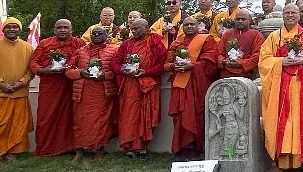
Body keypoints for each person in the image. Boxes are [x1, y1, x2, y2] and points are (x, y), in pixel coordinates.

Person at [257, 3, 303, 172]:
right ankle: (281, 162)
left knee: (302, 123)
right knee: (284, 123)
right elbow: (263, 61)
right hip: (281, 87)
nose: (290, 16)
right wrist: (280, 62)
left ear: (299, 15)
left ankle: (302, 160)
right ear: (283, 15)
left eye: (293, 13)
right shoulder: (274, 37)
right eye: (287, 13)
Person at [0, 17, 35, 163]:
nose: (12, 29)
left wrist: (21, 83)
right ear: (3, 29)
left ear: (19, 30)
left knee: (17, 126)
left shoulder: (28, 48)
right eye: (8, 27)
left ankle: (13, 153)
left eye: (15, 27)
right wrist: (0, 83)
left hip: (20, 94)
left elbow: (31, 70)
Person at [112, 18, 166, 157]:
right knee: (129, 115)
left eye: (137, 29)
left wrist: (145, 72)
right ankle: (129, 147)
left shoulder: (156, 43)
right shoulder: (126, 44)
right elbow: (115, 62)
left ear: (147, 27)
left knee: (147, 115)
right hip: (130, 85)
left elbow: (162, 64)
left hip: (148, 84)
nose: (133, 31)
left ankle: (142, 146)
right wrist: (123, 70)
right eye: (132, 29)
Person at [29, 19, 83, 157]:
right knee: (46, 117)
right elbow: (33, 62)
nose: (63, 30)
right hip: (50, 85)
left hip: (69, 84)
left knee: (70, 116)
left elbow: (84, 60)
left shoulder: (79, 43)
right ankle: (46, 148)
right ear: (54, 30)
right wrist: (42, 71)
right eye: (59, 27)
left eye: (66, 27)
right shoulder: (45, 43)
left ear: (71, 30)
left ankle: (69, 147)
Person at [166, 15, 217, 158]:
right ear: (182, 26)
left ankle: (195, 147)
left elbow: (210, 63)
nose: (189, 26)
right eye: (186, 24)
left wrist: (192, 65)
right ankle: (181, 147)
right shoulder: (177, 42)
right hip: (180, 84)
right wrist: (173, 66)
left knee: (195, 115)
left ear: (197, 26)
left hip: (196, 84)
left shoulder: (206, 39)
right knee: (180, 116)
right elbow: (166, 64)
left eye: (192, 24)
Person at [68, 25, 118, 161]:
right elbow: (68, 70)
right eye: (94, 34)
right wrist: (80, 72)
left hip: (102, 92)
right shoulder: (80, 51)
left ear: (106, 36)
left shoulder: (113, 50)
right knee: (80, 121)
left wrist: (105, 75)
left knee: (101, 122)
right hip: (83, 92)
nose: (96, 36)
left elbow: (117, 71)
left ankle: (99, 151)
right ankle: (79, 152)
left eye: (100, 34)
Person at [216, 9, 261, 79]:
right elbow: (219, 53)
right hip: (226, 72)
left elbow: (258, 55)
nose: (240, 21)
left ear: (249, 20)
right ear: (234, 20)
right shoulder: (226, 34)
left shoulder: (256, 35)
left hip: (247, 74)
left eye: (243, 19)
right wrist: (223, 61)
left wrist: (242, 63)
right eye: (238, 19)